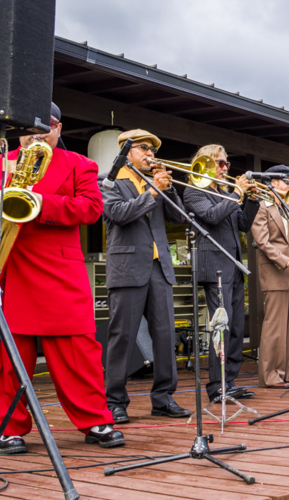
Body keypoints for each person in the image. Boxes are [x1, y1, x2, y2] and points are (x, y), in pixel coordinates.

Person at [0, 102, 124, 454]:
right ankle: (8, 426)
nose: (38, 133)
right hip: (6, 266)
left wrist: (40, 203)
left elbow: (91, 209)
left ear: (59, 128)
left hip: (59, 270)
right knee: (5, 353)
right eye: (30, 127)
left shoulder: (81, 164)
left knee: (77, 350)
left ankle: (95, 420)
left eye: (47, 125)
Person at [101, 129, 190, 423]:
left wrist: (169, 188)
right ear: (127, 152)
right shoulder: (111, 180)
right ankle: (115, 400)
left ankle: (163, 398)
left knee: (165, 336)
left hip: (158, 267)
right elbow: (118, 214)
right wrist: (152, 193)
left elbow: (180, 218)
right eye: (143, 148)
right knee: (122, 337)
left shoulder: (157, 182)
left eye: (153, 149)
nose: (150, 154)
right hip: (127, 267)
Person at [182, 144, 259, 403]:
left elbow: (244, 224)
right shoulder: (194, 191)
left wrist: (252, 199)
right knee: (221, 327)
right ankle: (217, 385)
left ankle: (230, 381)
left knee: (237, 327)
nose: (225, 168)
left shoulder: (226, 193)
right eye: (220, 163)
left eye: (226, 163)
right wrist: (238, 193)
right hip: (214, 266)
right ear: (203, 164)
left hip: (233, 266)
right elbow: (212, 217)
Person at [250, 165, 289, 388]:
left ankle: (286, 370)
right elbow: (262, 242)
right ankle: (269, 375)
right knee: (274, 325)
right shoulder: (262, 206)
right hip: (275, 270)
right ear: (272, 182)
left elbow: (288, 239)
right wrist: (284, 260)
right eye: (285, 180)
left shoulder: (284, 208)